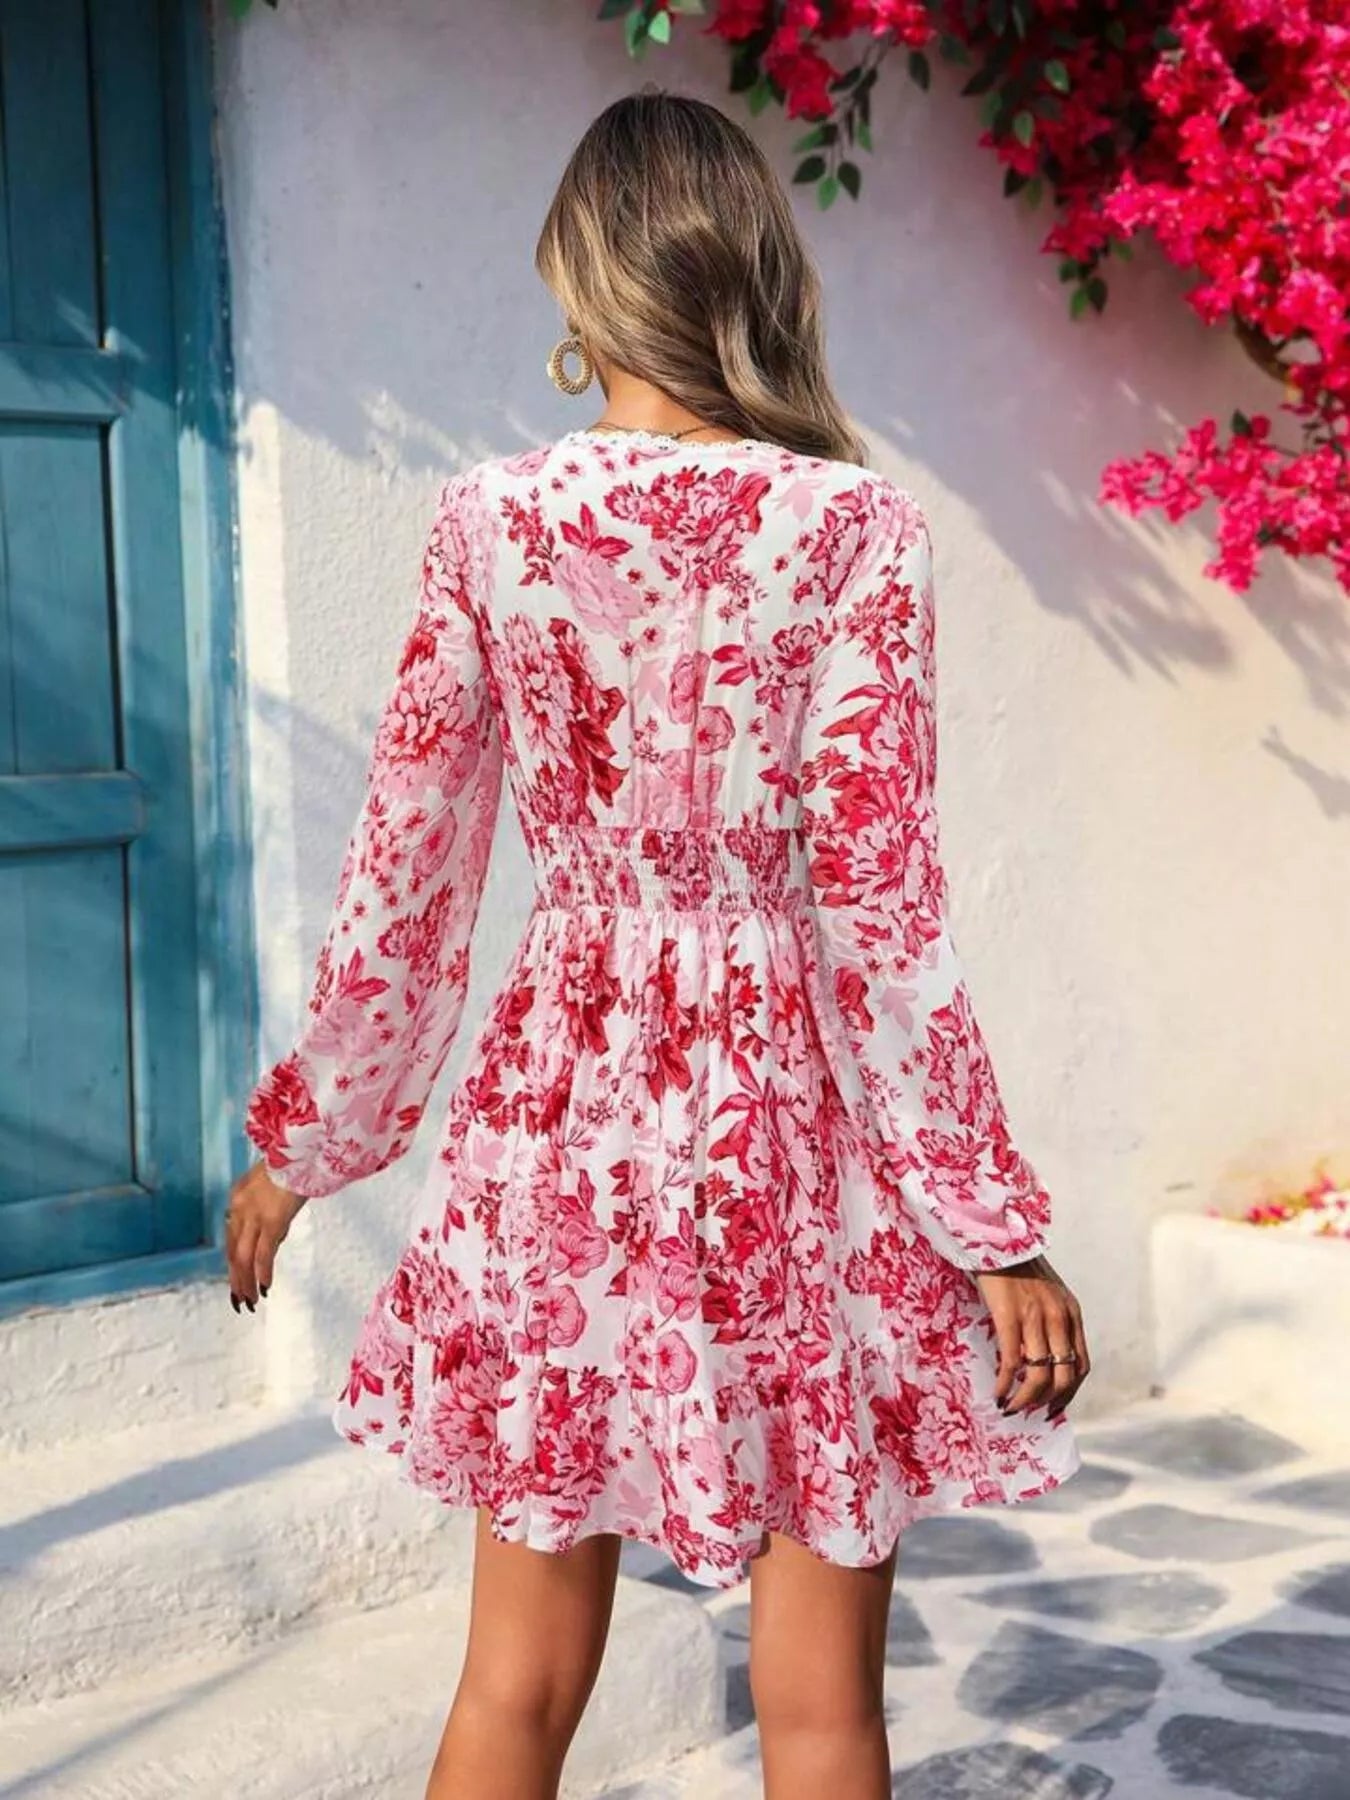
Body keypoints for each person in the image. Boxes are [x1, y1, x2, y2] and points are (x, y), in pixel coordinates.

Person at [226, 87, 1090, 1800]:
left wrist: (305, 1143)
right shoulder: (856, 530)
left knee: (512, 1691)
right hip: (799, 1137)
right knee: (824, 1712)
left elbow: (410, 870)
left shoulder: (490, 524)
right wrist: (990, 1226)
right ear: (754, 270)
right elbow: (879, 908)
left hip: (569, 1125)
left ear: (578, 278)